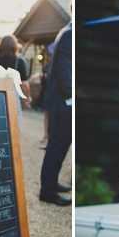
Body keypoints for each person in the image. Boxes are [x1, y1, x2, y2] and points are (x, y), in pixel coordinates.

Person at [39, 18, 72, 206]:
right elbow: (63, 69)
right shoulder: (69, 34)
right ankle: (48, 191)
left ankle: (52, 183)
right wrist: (71, 98)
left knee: (59, 147)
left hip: (61, 101)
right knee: (56, 147)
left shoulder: (66, 31)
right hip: (63, 102)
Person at [0, 35, 31, 130]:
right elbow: (25, 84)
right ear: (14, 46)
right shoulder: (19, 61)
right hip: (12, 95)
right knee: (13, 121)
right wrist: (27, 97)